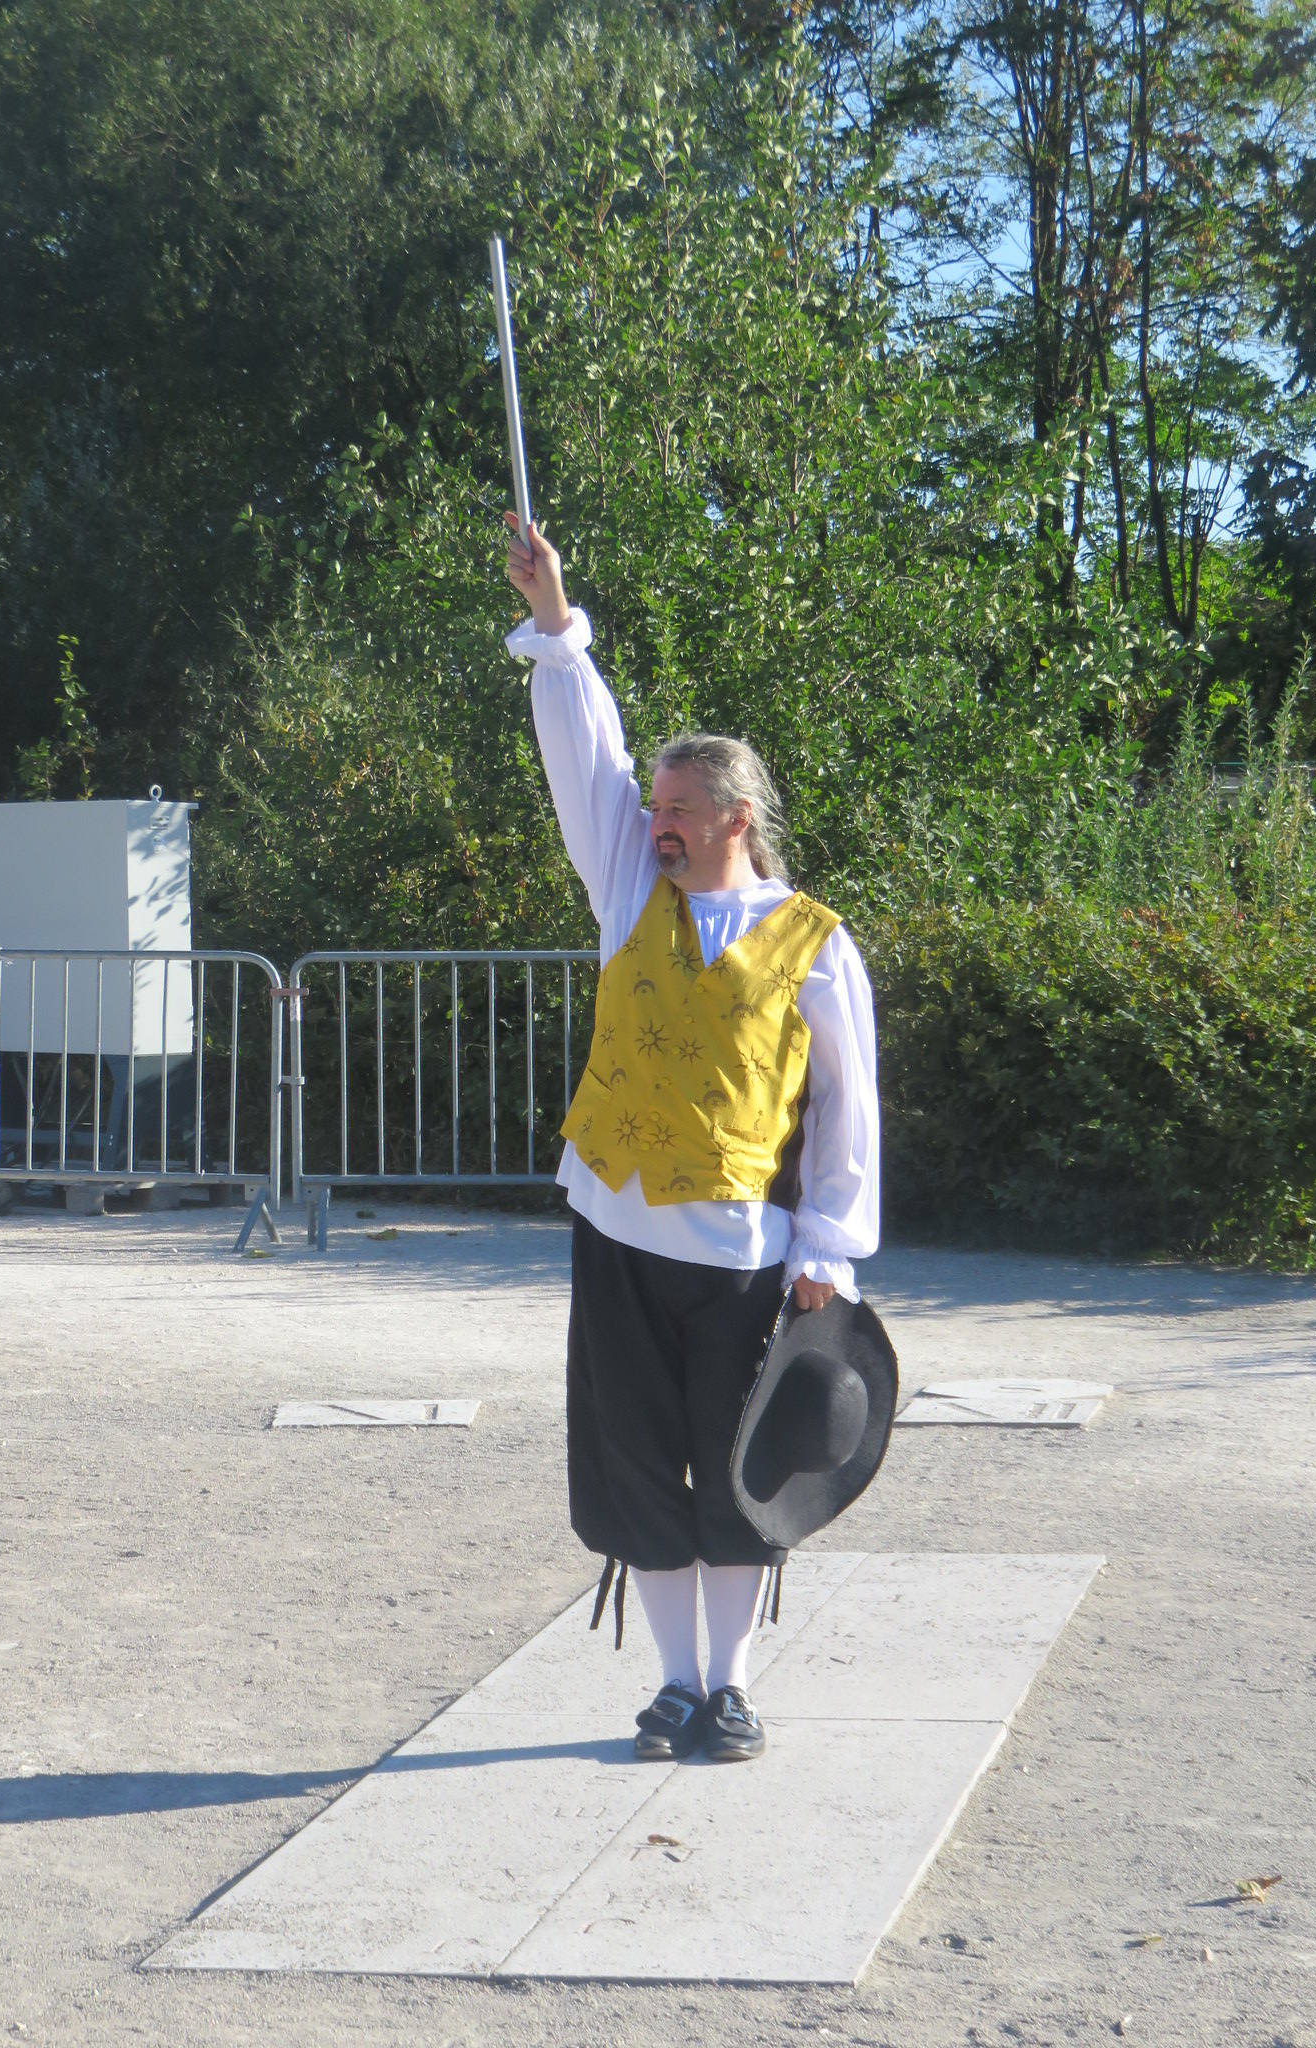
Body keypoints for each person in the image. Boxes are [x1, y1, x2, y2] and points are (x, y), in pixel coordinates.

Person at [503, 514, 880, 1763]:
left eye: (676, 807)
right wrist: (558, 626)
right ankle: (672, 1684)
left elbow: (845, 1109)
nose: (651, 819)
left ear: (735, 816)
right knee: (631, 1458)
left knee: (738, 1470)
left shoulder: (814, 941)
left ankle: (730, 1684)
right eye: (651, 804)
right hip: (616, 1223)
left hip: (744, 1247)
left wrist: (831, 1241)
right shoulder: (629, 890)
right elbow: (583, 751)